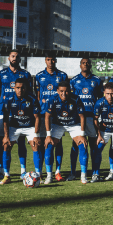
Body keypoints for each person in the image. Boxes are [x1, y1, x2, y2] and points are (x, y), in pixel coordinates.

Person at [0, 49, 33, 179]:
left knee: (21, 140)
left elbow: (29, 92)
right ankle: (1, 167)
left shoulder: (26, 74)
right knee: (3, 140)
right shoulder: (1, 73)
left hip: (20, 111)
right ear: (8, 58)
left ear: (20, 59)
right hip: (4, 111)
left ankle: (23, 169)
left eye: (17, 56)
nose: (14, 58)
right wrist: (3, 102)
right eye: (12, 56)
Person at [44, 81, 89, 184]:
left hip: (74, 125)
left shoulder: (76, 99)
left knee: (83, 145)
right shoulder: (52, 99)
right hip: (58, 125)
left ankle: (83, 176)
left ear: (70, 91)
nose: (64, 94)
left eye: (66, 91)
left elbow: (82, 116)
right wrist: (48, 135)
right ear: (57, 91)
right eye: (61, 91)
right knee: (49, 145)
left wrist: (82, 135)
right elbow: (47, 116)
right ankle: (49, 176)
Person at [0, 78, 42, 185]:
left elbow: (37, 118)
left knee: (35, 145)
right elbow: (5, 118)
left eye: (22, 88)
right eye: (17, 88)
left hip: (30, 126)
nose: (20, 90)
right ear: (14, 87)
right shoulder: (9, 98)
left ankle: (38, 175)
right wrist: (6, 136)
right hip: (15, 126)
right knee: (6, 145)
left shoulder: (32, 98)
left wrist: (36, 135)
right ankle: (7, 175)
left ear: (26, 88)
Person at [69, 57, 103, 181]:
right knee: (76, 145)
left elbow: (100, 99)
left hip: (92, 118)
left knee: (94, 146)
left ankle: (95, 173)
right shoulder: (74, 81)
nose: (86, 64)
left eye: (88, 63)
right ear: (80, 65)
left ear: (90, 65)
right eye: (83, 63)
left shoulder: (97, 80)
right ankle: (73, 173)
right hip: (78, 119)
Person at [35, 53, 68, 181]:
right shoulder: (39, 76)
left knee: (58, 144)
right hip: (44, 114)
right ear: (45, 61)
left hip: (58, 115)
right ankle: (42, 171)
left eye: (52, 59)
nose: (50, 62)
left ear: (56, 61)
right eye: (48, 59)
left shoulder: (62, 75)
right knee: (44, 142)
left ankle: (57, 171)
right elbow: (38, 95)